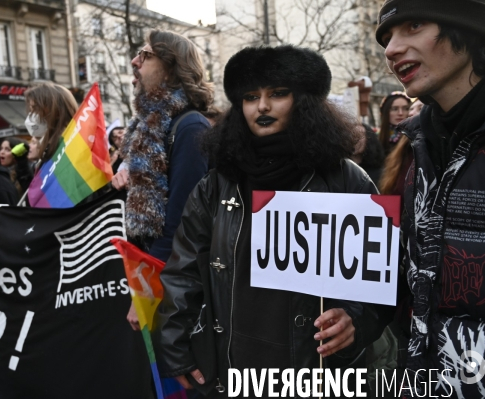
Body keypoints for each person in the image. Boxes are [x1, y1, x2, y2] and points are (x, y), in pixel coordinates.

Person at [154, 45, 390, 396]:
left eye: (278, 93)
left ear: (304, 101)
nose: (262, 106)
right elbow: (184, 272)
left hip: (316, 373)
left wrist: (355, 319)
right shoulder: (215, 186)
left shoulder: (347, 181)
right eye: (250, 97)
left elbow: (381, 280)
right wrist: (175, 346)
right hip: (233, 368)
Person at [376, 0, 485, 396]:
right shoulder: (417, 147)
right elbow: (409, 276)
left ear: (468, 27)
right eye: (387, 38)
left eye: (414, 26)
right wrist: (355, 316)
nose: (390, 50)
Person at [110, 30, 214, 331]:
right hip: (153, 269)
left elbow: (182, 219)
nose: (134, 61)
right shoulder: (147, 128)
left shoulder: (190, 126)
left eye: (146, 55)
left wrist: (146, 290)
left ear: (171, 66)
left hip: (172, 283)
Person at [24, 83, 78, 169]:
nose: (32, 116)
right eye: (31, 110)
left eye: (36, 109)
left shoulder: (71, 149)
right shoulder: (49, 150)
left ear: (58, 111)